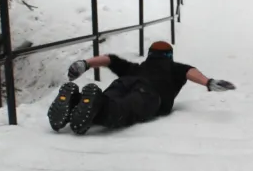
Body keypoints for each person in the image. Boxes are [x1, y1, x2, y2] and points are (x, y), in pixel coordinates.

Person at [48, 41, 236, 135]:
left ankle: (74, 101)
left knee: (107, 101)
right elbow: (191, 72)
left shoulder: (136, 67)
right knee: (118, 112)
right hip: (150, 94)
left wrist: (85, 64)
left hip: (124, 82)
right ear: (169, 56)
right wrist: (208, 82)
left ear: (149, 55)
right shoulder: (174, 68)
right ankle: (92, 103)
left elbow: (110, 59)